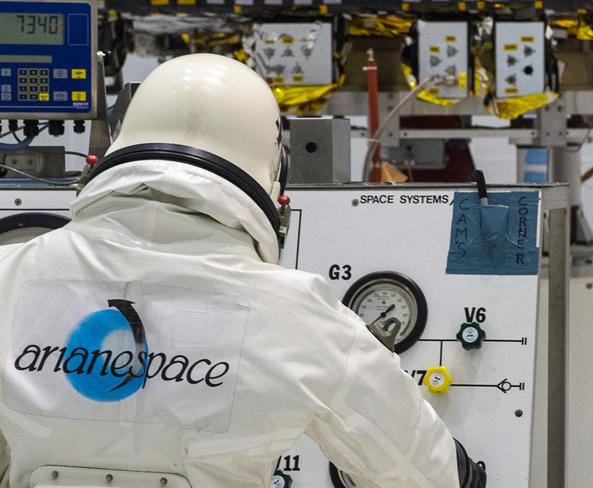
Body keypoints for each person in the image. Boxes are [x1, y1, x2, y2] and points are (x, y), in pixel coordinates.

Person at [0, 54, 485, 488]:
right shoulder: (301, 319)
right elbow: (429, 475)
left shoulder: (9, 275)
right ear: (276, 195)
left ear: (103, 159)